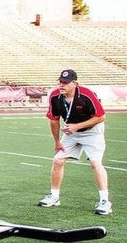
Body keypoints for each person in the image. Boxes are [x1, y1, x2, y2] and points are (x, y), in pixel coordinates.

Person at [38, 67, 112, 215]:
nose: (61, 85)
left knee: (95, 163)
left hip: (92, 131)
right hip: (71, 133)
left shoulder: (86, 95)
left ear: (75, 83)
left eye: (65, 83)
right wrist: (57, 141)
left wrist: (77, 126)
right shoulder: (55, 96)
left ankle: (105, 201)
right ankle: (54, 196)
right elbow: (53, 120)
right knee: (58, 160)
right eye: (60, 82)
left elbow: (101, 117)